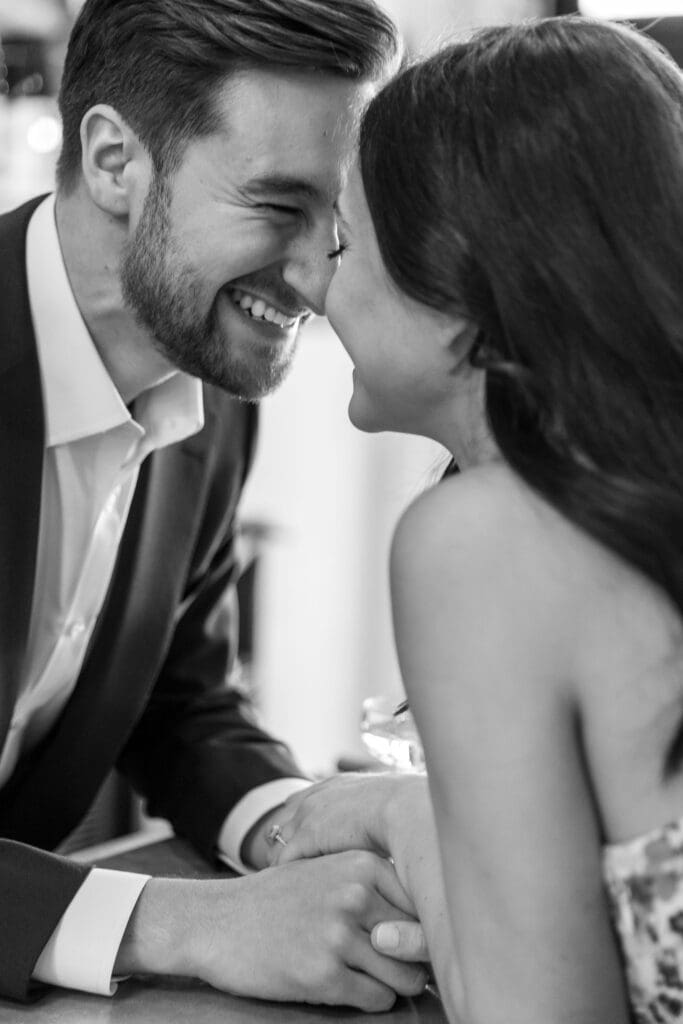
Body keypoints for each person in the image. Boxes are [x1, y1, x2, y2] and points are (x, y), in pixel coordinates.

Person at [0, 0, 430, 1011]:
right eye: (279, 205)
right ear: (114, 161)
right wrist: (181, 923)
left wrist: (308, 821)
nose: (320, 276)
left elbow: (180, 701)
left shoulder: (209, 390)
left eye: (338, 220)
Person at [265, 15, 683, 1024]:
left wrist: (408, 820)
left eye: (341, 242)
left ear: (457, 289)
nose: (312, 284)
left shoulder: (483, 540)